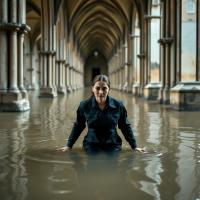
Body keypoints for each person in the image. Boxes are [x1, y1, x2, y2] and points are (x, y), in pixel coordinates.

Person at [57, 74, 145, 154]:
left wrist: (134, 146)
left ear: (109, 88)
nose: (101, 92)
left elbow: (125, 126)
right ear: (92, 88)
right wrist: (69, 145)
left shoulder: (118, 105)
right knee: (92, 161)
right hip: (91, 144)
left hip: (113, 144)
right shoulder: (84, 105)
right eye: (97, 88)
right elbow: (78, 126)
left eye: (104, 88)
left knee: (112, 163)